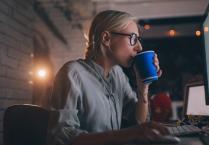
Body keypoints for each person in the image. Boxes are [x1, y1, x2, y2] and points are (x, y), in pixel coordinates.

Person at [47, 10, 172, 145]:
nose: (139, 47)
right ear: (106, 38)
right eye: (133, 39)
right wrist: (125, 134)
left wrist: (143, 87)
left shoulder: (118, 75)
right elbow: (61, 138)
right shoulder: (72, 74)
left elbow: (138, 122)